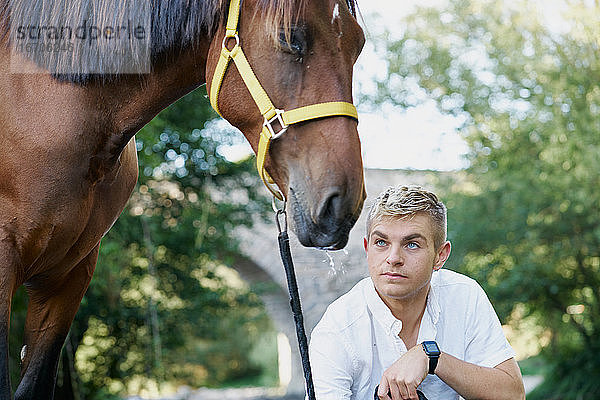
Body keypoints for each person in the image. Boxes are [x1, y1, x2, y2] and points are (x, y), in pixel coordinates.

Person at [309, 185, 525, 400]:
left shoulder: (464, 296)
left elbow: (514, 395)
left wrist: (434, 358)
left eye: (411, 244)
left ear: (440, 255)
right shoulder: (337, 328)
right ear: (367, 248)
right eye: (381, 242)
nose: (393, 258)